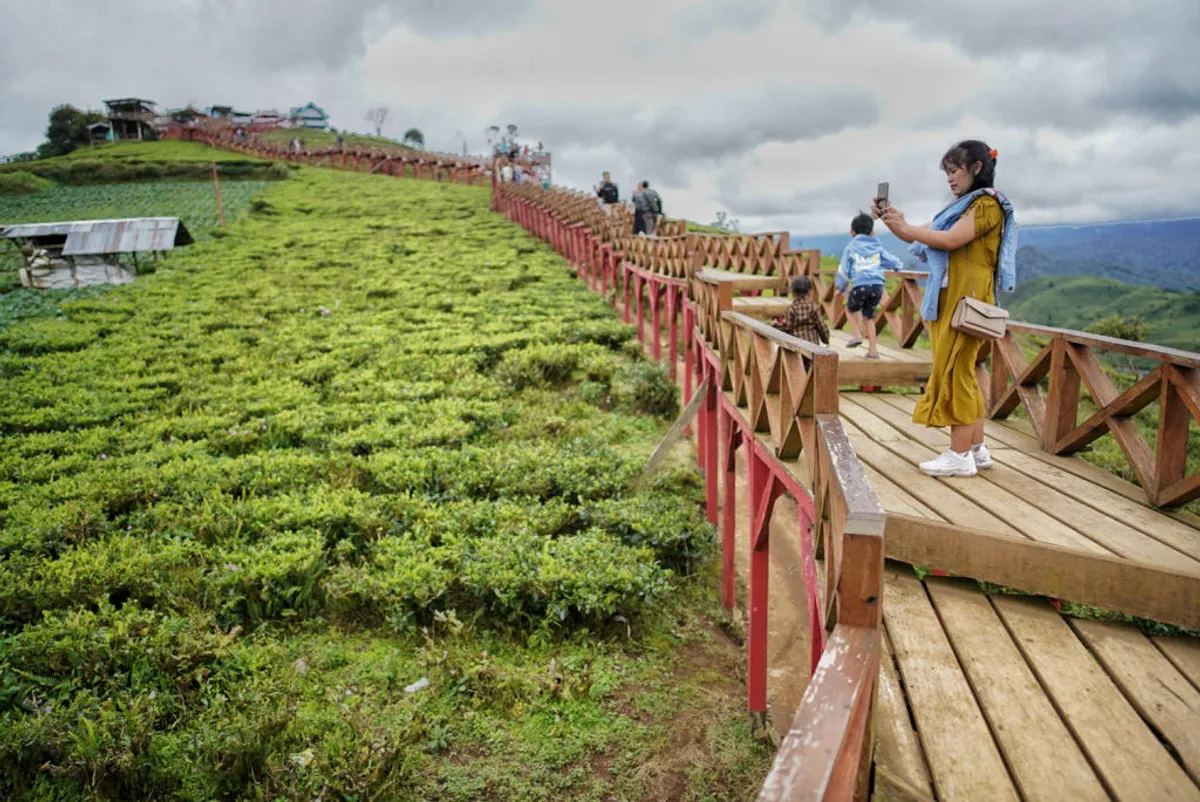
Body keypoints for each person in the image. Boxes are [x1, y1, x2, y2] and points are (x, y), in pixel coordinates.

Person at [877, 139, 1017, 478]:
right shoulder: (963, 207)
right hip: (954, 297)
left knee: (956, 371)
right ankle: (976, 449)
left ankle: (958, 455)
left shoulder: (986, 205)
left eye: (954, 171)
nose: (950, 179)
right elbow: (925, 234)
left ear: (977, 168)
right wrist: (897, 222)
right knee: (963, 371)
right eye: (947, 172)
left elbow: (952, 240)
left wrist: (909, 229)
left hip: (965, 298)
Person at [836, 211, 903, 359]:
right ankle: (873, 351)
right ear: (872, 232)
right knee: (869, 317)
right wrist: (898, 265)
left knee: (849, 309)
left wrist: (840, 287)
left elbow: (843, 270)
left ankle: (857, 335)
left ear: (852, 232)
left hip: (860, 285)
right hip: (877, 287)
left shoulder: (851, 248)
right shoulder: (877, 247)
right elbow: (890, 260)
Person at [775, 275, 830, 345]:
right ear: (810, 292)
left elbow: (787, 328)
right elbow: (821, 326)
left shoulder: (791, 309)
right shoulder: (814, 307)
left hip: (796, 347)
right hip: (813, 346)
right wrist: (826, 340)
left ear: (792, 292)